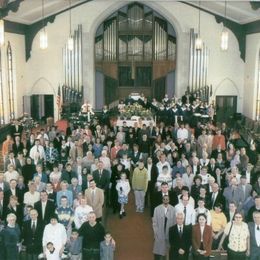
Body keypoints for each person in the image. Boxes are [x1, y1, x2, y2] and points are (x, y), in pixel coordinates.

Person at [152, 195, 176, 260]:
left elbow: (174, 222)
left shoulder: (173, 209)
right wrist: (156, 232)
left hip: (168, 233)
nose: (166, 201)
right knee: (158, 251)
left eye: (167, 199)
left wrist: (172, 234)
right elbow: (154, 222)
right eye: (164, 199)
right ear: (162, 200)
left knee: (167, 251)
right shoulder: (157, 209)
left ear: (169, 200)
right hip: (159, 233)